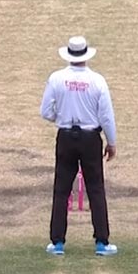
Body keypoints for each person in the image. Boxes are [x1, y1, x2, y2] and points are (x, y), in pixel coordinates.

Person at [40, 36, 117, 256]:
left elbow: (45, 111)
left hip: (65, 136)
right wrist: (111, 143)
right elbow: (107, 116)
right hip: (90, 137)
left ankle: (57, 243)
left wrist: (61, 118)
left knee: (61, 189)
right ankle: (102, 242)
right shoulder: (97, 81)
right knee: (96, 188)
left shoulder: (56, 78)